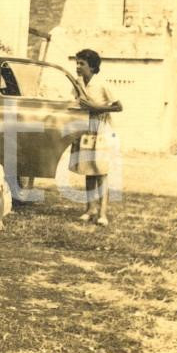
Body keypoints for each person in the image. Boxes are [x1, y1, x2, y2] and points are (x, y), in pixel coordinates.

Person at [69, 48, 123, 226]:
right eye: (77, 63)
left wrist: (95, 107)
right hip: (85, 128)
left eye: (81, 64)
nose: (78, 66)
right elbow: (73, 102)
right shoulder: (77, 83)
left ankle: (102, 213)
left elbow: (118, 106)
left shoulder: (102, 83)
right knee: (87, 169)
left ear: (92, 67)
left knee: (101, 171)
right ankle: (89, 209)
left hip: (101, 129)